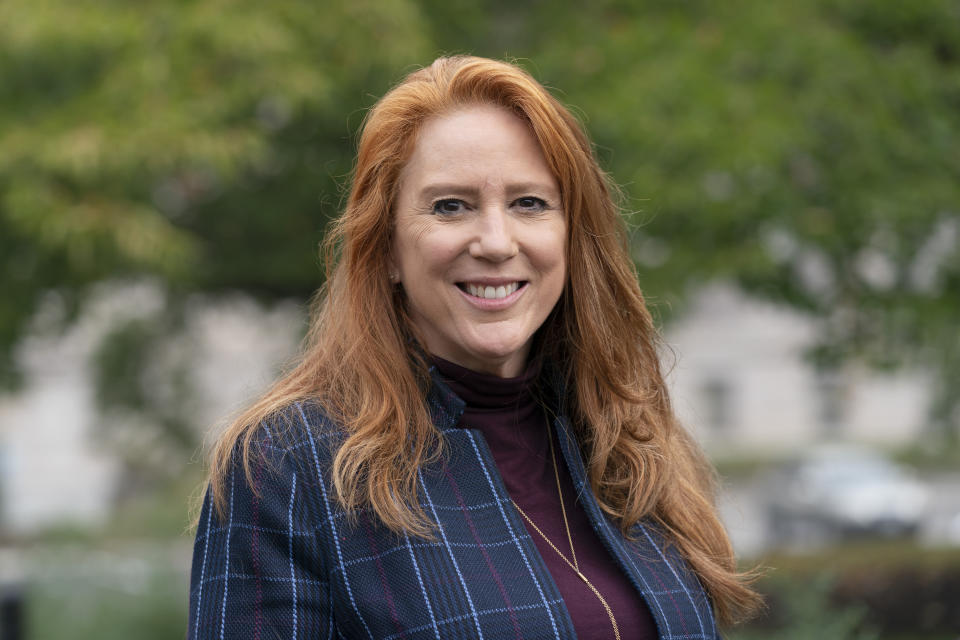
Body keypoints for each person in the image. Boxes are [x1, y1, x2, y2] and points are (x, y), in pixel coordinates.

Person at [188, 55, 761, 639]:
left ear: (571, 235)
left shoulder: (630, 434)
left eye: (529, 203)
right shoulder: (290, 462)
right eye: (450, 206)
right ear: (385, 246)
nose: (495, 241)